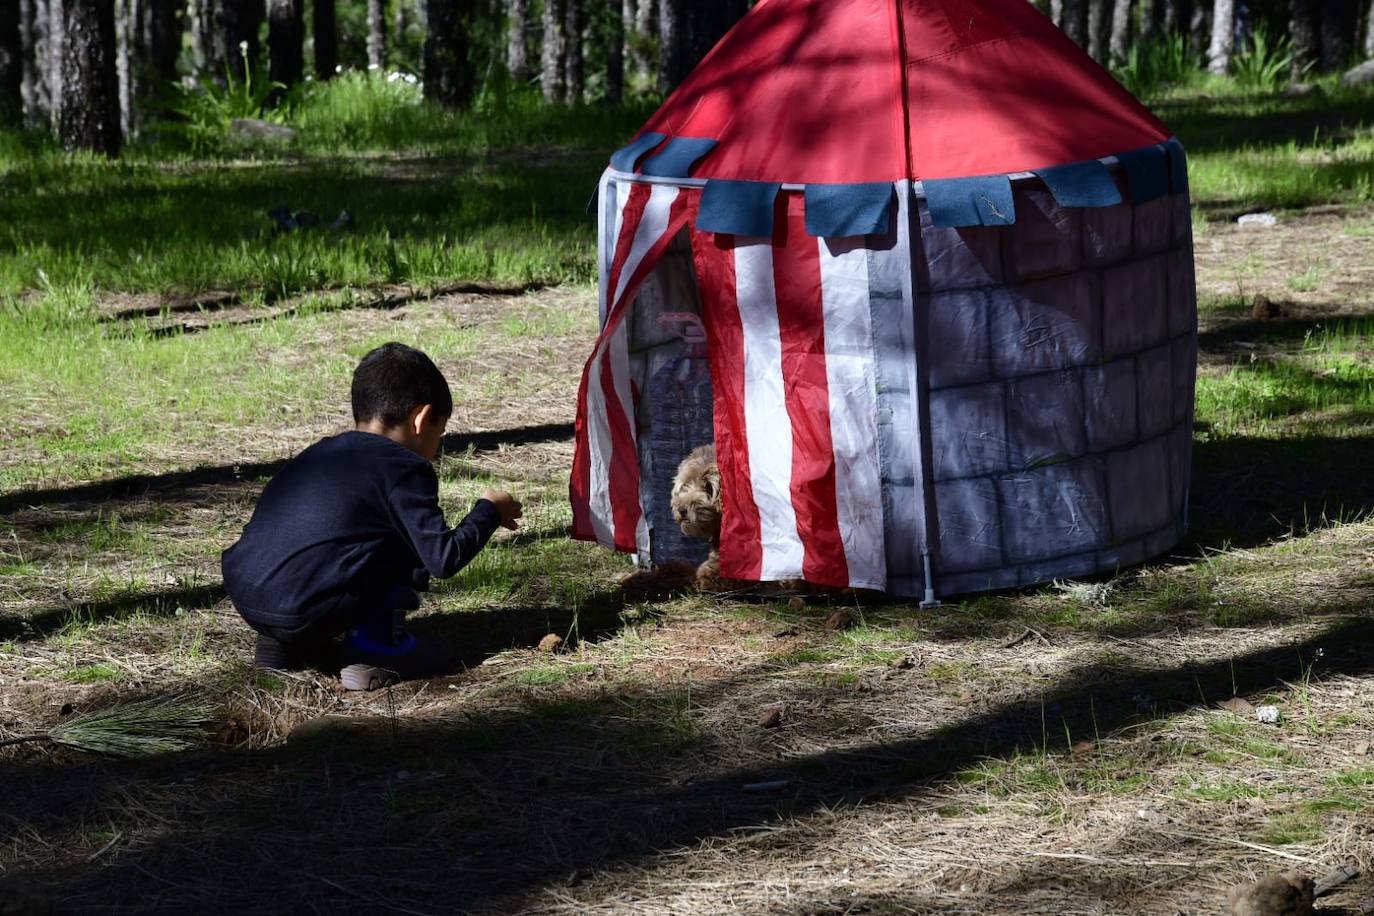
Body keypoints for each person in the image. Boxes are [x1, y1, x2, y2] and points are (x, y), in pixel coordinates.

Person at [221, 342, 522, 690]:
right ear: (421, 419)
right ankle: (377, 648)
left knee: (339, 538)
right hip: (305, 609)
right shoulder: (405, 469)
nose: (437, 448)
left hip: (251, 598)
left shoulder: (321, 453)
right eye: (440, 432)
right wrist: (488, 511)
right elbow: (443, 558)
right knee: (402, 542)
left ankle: (280, 645)